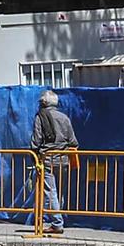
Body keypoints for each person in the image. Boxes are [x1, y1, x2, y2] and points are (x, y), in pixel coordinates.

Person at [28, 88, 77, 235]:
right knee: (58, 193)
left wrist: (34, 154)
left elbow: (36, 140)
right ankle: (57, 219)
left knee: (50, 192)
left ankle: (57, 223)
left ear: (43, 102)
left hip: (47, 159)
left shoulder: (40, 117)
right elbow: (73, 141)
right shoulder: (64, 118)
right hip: (63, 160)